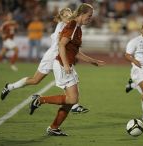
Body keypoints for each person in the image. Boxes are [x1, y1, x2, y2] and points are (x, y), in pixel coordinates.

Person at [29, 3, 105, 136]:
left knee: (71, 101)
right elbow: (61, 45)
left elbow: (75, 52)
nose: (90, 18)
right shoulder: (72, 26)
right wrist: (65, 65)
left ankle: (54, 127)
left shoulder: (78, 28)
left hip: (67, 65)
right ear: (81, 14)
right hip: (62, 65)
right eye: (89, 15)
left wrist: (93, 61)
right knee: (72, 99)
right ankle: (40, 100)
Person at [0, 8, 89, 114]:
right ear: (61, 18)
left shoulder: (72, 25)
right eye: (65, 16)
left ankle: (74, 105)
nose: (68, 17)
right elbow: (63, 43)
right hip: (51, 57)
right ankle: (10, 87)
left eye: (69, 15)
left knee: (67, 78)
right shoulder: (62, 25)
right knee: (35, 80)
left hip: (61, 57)